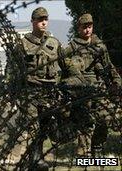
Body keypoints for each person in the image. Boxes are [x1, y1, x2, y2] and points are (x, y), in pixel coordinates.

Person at [6, 7, 65, 170]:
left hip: (49, 92)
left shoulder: (54, 43)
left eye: (45, 19)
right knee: (33, 127)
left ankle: (36, 157)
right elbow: (12, 69)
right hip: (30, 92)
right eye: (39, 19)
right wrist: (12, 93)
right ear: (33, 21)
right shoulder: (22, 44)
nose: (43, 22)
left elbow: (65, 65)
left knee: (44, 127)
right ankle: (35, 159)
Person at [64, 13, 121, 157]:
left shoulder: (100, 45)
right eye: (84, 27)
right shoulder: (72, 47)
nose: (87, 30)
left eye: (90, 27)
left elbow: (108, 66)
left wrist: (116, 81)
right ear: (79, 28)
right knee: (85, 121)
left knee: (104, 117)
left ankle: (97, 147)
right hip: (81, 88)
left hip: (99, 87)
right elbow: (63, 65)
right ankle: (83, 154)